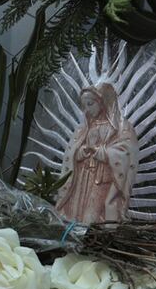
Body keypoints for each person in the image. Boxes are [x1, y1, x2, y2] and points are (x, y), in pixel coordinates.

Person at [56, 82, 139, 224]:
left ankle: (92, 240)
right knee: (75, 214)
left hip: (103, 181)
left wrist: (105, 154)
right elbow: (71, 152)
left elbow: (126, 152)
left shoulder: (121, 128)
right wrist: (79, 153)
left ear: (103, 102)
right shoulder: (84, 128)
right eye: (84, 106)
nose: (87, 110)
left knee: (92, 218)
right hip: (82, 179)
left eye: (90, 104)